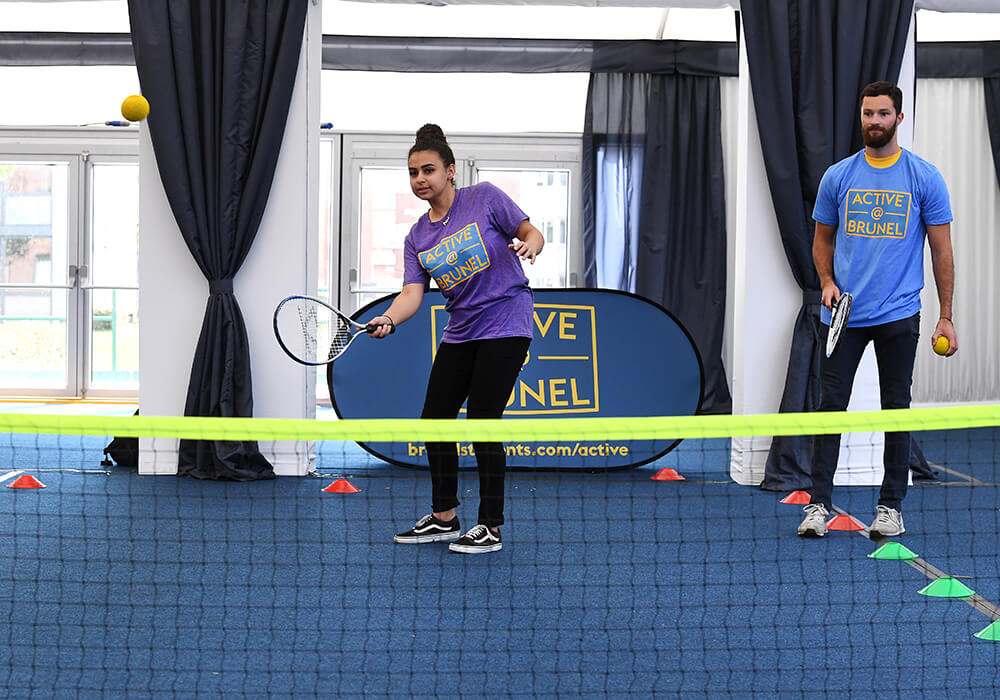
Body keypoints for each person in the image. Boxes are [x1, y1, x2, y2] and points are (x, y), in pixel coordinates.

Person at [366, 124, 544, 554]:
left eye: (428, 170)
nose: (420, 179)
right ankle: (445, 516)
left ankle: (491, 525)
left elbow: (530, 232)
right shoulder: (417, 238)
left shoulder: (483, 197)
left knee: (483, 419)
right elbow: (412, 295)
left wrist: (532, 247)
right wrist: (389, 318)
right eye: (412, 173)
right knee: (435, 418)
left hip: (506, 321)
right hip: (461, 330)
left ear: (449, 171)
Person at [798, 81, 956, 539]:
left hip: (899, 314)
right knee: (830, 409)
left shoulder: (924, 178)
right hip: (843, 316)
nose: (874, 122)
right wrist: (826, 282)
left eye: (883, 114)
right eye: (868, 114)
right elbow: (822, 239)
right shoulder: (839, 176)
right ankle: (818, 505)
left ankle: (890, 507)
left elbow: (942, 252)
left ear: (899, 119)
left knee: (896, 410)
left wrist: (946, 315)